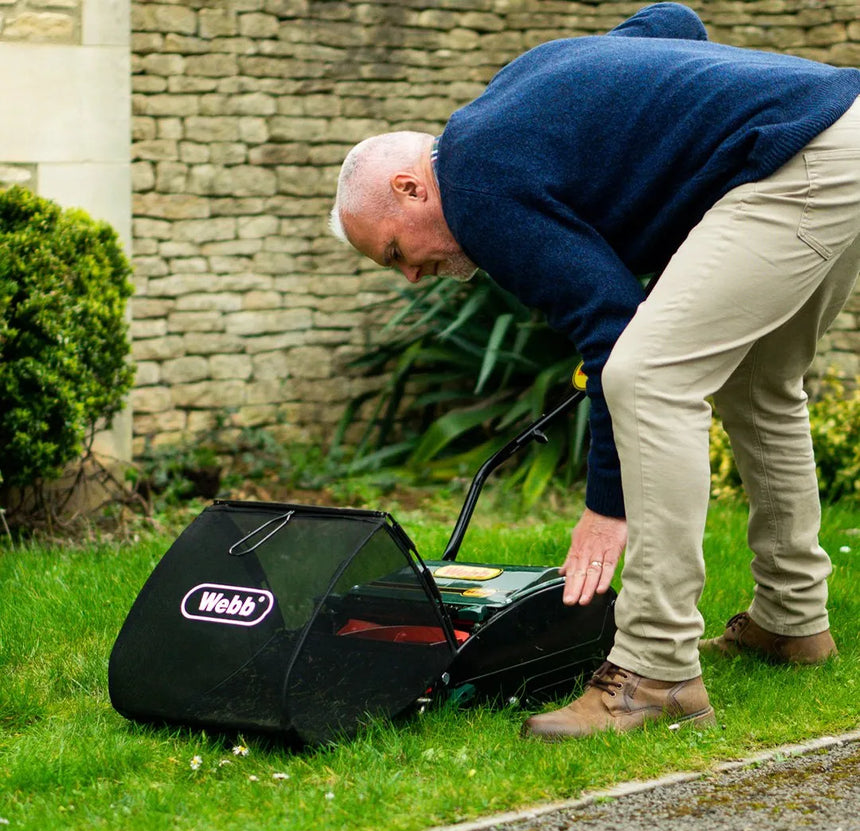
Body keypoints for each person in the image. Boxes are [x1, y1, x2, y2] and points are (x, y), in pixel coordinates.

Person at [329, 2, 860, 739]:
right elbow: (671, 21)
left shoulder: (477, 183)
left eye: (394, 253)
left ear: (410, 190)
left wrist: (606, 507)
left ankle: (655, 672)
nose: (414, 276)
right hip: (838, 128)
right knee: (760, 386)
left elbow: (613, 333)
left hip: (796, 162)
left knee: (650, 376)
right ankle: (792, 621)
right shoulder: (516, 91)